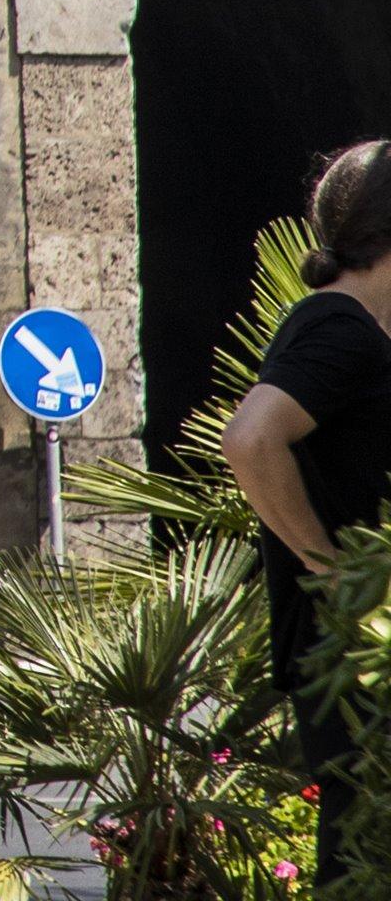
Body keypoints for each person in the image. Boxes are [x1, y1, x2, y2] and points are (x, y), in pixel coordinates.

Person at [228, 138, 391, 871]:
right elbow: (250, 439)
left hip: (359, 655)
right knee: (362, 863)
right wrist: (331, 573)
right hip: (351, 657)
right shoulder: (338, 328)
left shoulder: (357, 328)